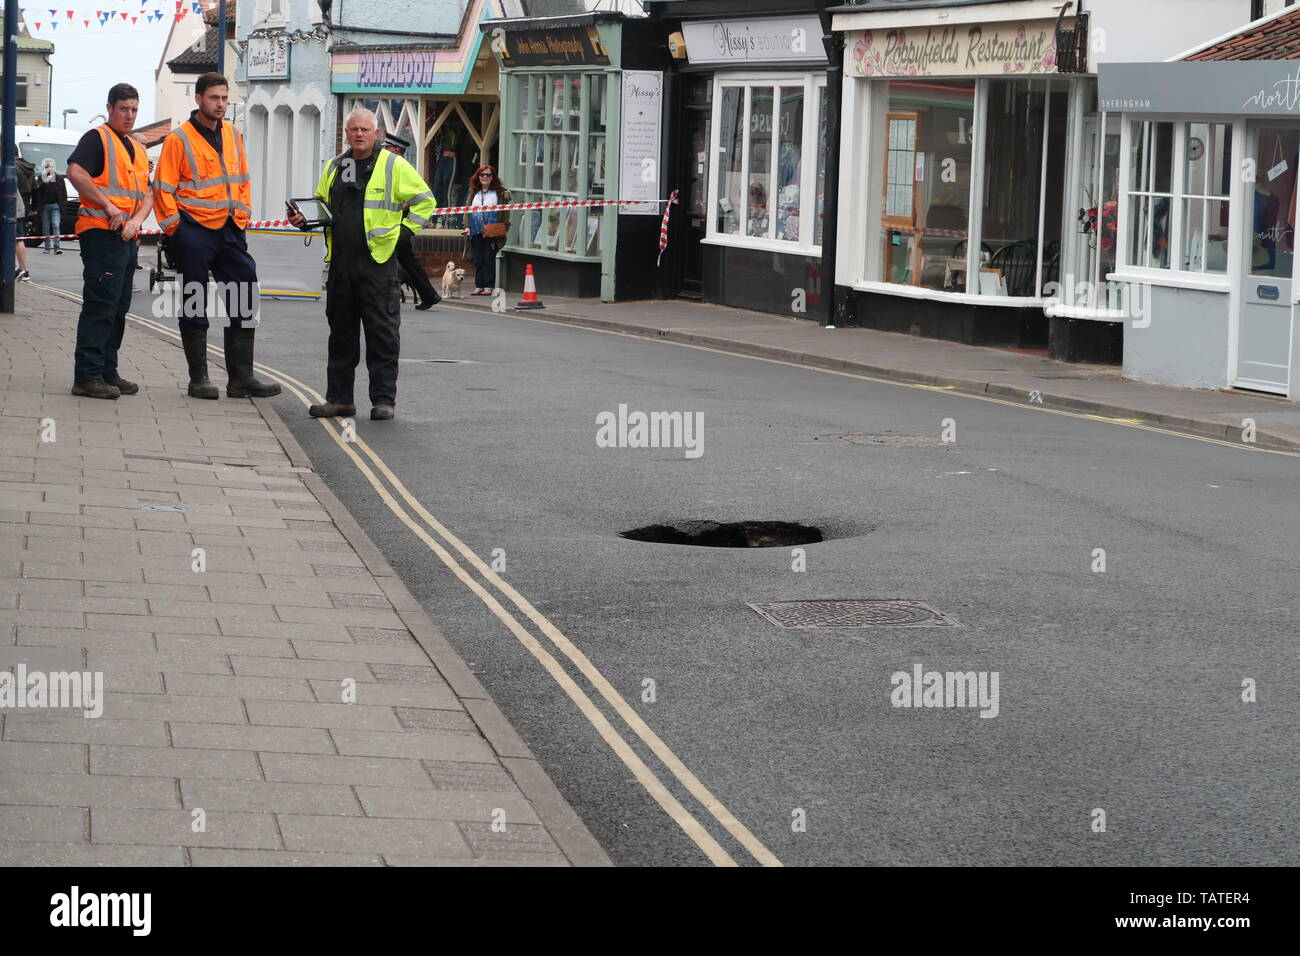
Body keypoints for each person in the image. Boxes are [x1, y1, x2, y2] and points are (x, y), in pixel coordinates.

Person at [288, 108, 437, 421]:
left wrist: (405, 233)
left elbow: (426, 200)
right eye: (353, 129)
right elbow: (322, 207)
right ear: (346, 132)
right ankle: (339, 400)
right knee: (340, 336)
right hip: (342, 265)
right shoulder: (335, 166)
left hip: (378, 263)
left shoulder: (394, 165)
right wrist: (303, 220)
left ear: (375, 133)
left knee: (382, 336)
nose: (358, 134)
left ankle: (383, 400)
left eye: (365, 130)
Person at [153, 71, 279, 400]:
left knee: (245, 290)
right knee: (195, 299)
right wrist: (175, 229)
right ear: (198, 100)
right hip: (193, 229)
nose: (221, 104)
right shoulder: (178, 140)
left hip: (230, 227)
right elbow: (162, 188)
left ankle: (241, 379)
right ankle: (199, 379)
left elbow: (243, 179)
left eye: (224, 98)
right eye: (214, 98)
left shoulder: (234, 134)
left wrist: (244, 214)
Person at [66, 82, 153, 399]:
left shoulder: (137, 148)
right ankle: (86, 376)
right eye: (124, 109)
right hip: (101, 233)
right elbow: (76, 173)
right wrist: (108, 205)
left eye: (134, 109)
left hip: (127, 235)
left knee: (118, 307)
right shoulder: (97, 138)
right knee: (101, 304)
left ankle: (106, 370)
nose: (129, 115)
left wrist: (137, 221)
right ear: (110, 109)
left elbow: (149, 193)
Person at [381, 132, 440, 310]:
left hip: (398, 227)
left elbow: (420, 197)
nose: (384, 151)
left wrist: (406, 226)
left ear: (396, 149)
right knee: (408, 262)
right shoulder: (392, 167)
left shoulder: (401, 167)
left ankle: (384, 296)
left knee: (387, 260)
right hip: (396, 226)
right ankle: (429, 294)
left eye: (387, 148)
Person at [462, 165, 511, 295]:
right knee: (478, 259)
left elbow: (505, 213)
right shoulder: (474, 192)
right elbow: (467, 210)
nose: (485, 177)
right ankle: (479, 286)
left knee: (489, 258)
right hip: (476, 230)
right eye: (482, 175)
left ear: (492, 177)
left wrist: (504, 227)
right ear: (478, 177)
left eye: (488, 175)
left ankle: (489, 286)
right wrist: (467, 226)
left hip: (492, 231)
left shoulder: (500, 193)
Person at [38, 158, 67, 255]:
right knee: (46, 227)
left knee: (55, 225)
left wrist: (63, 204)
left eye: (50, 166)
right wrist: (43, 183)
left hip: (56, 205)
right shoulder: (41, 177)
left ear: (54, 167)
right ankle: (47, 247)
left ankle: (57, 246)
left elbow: (64, 193)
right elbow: (37, 191)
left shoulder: (59, 178)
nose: (49, 168)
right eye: (47, 166)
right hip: (45, 205)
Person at [13, 154, 33, 280]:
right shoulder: (29, 168)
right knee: (18, 238)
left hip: (11, 205)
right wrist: (35, 206)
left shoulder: (10, 166)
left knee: (12, 238)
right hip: (21, 205)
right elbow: (36, 188)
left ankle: (15, 269)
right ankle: (23, 270)